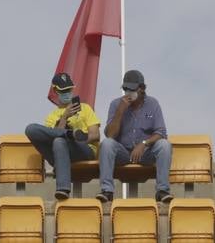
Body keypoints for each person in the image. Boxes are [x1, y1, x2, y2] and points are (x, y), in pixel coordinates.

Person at [97, 69, 172, 204]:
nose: (128, 92)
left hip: (145, 153)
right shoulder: (116, 104)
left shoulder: (153, 103)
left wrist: (143, 144)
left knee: (164, 145)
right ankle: (107, 191)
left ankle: (162, 191)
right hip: (123, 152)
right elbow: (110, 135)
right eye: (126, 89)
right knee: (106, 144)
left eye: (132, 89)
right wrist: (120, 111)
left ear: (142, 88)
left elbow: (161, 132)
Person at [24, 72, 101, 201]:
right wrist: (64, 117)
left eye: (69, 89)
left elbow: (95, 135)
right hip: (59, 152)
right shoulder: (51, 116)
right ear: (55, 91)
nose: (67, 92)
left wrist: (80, 139)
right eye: (64, 90)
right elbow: (51, 137)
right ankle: (69, 134)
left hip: (84, 149)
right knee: (31, 129)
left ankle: (62, 188)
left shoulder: (85, 108)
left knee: (59, 140)